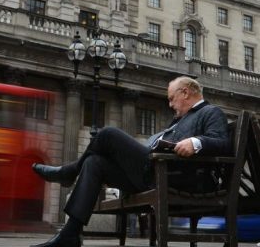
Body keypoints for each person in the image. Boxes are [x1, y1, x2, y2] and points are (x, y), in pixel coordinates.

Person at [30, 76, 230, 247]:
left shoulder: (210, 112)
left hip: (173, 176)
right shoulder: (179, 120)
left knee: (108, 133)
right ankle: (70, 233)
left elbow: (222, 142)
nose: (170, 105)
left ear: (185, 93)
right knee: (94, 162)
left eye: (171, 99)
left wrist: (196, 142)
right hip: (153, 173)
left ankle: (69, 172)